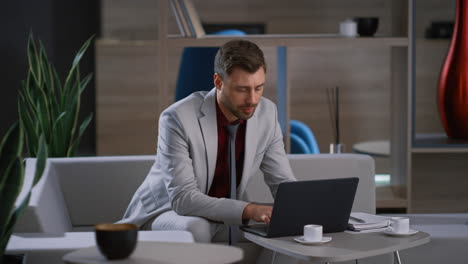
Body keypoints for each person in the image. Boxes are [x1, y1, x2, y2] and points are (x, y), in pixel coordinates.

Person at [119, 39, 296, 243]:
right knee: (197, 227)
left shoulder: (267, 113)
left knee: (285, 228)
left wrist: (304, 214)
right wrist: (250, 209)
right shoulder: (177, 118)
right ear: (218, 82)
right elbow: (183, 199)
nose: (253, 100)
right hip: (167, 213)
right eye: (242, 89)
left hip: (225, 215)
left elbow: (282, 182)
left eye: (259, 88)